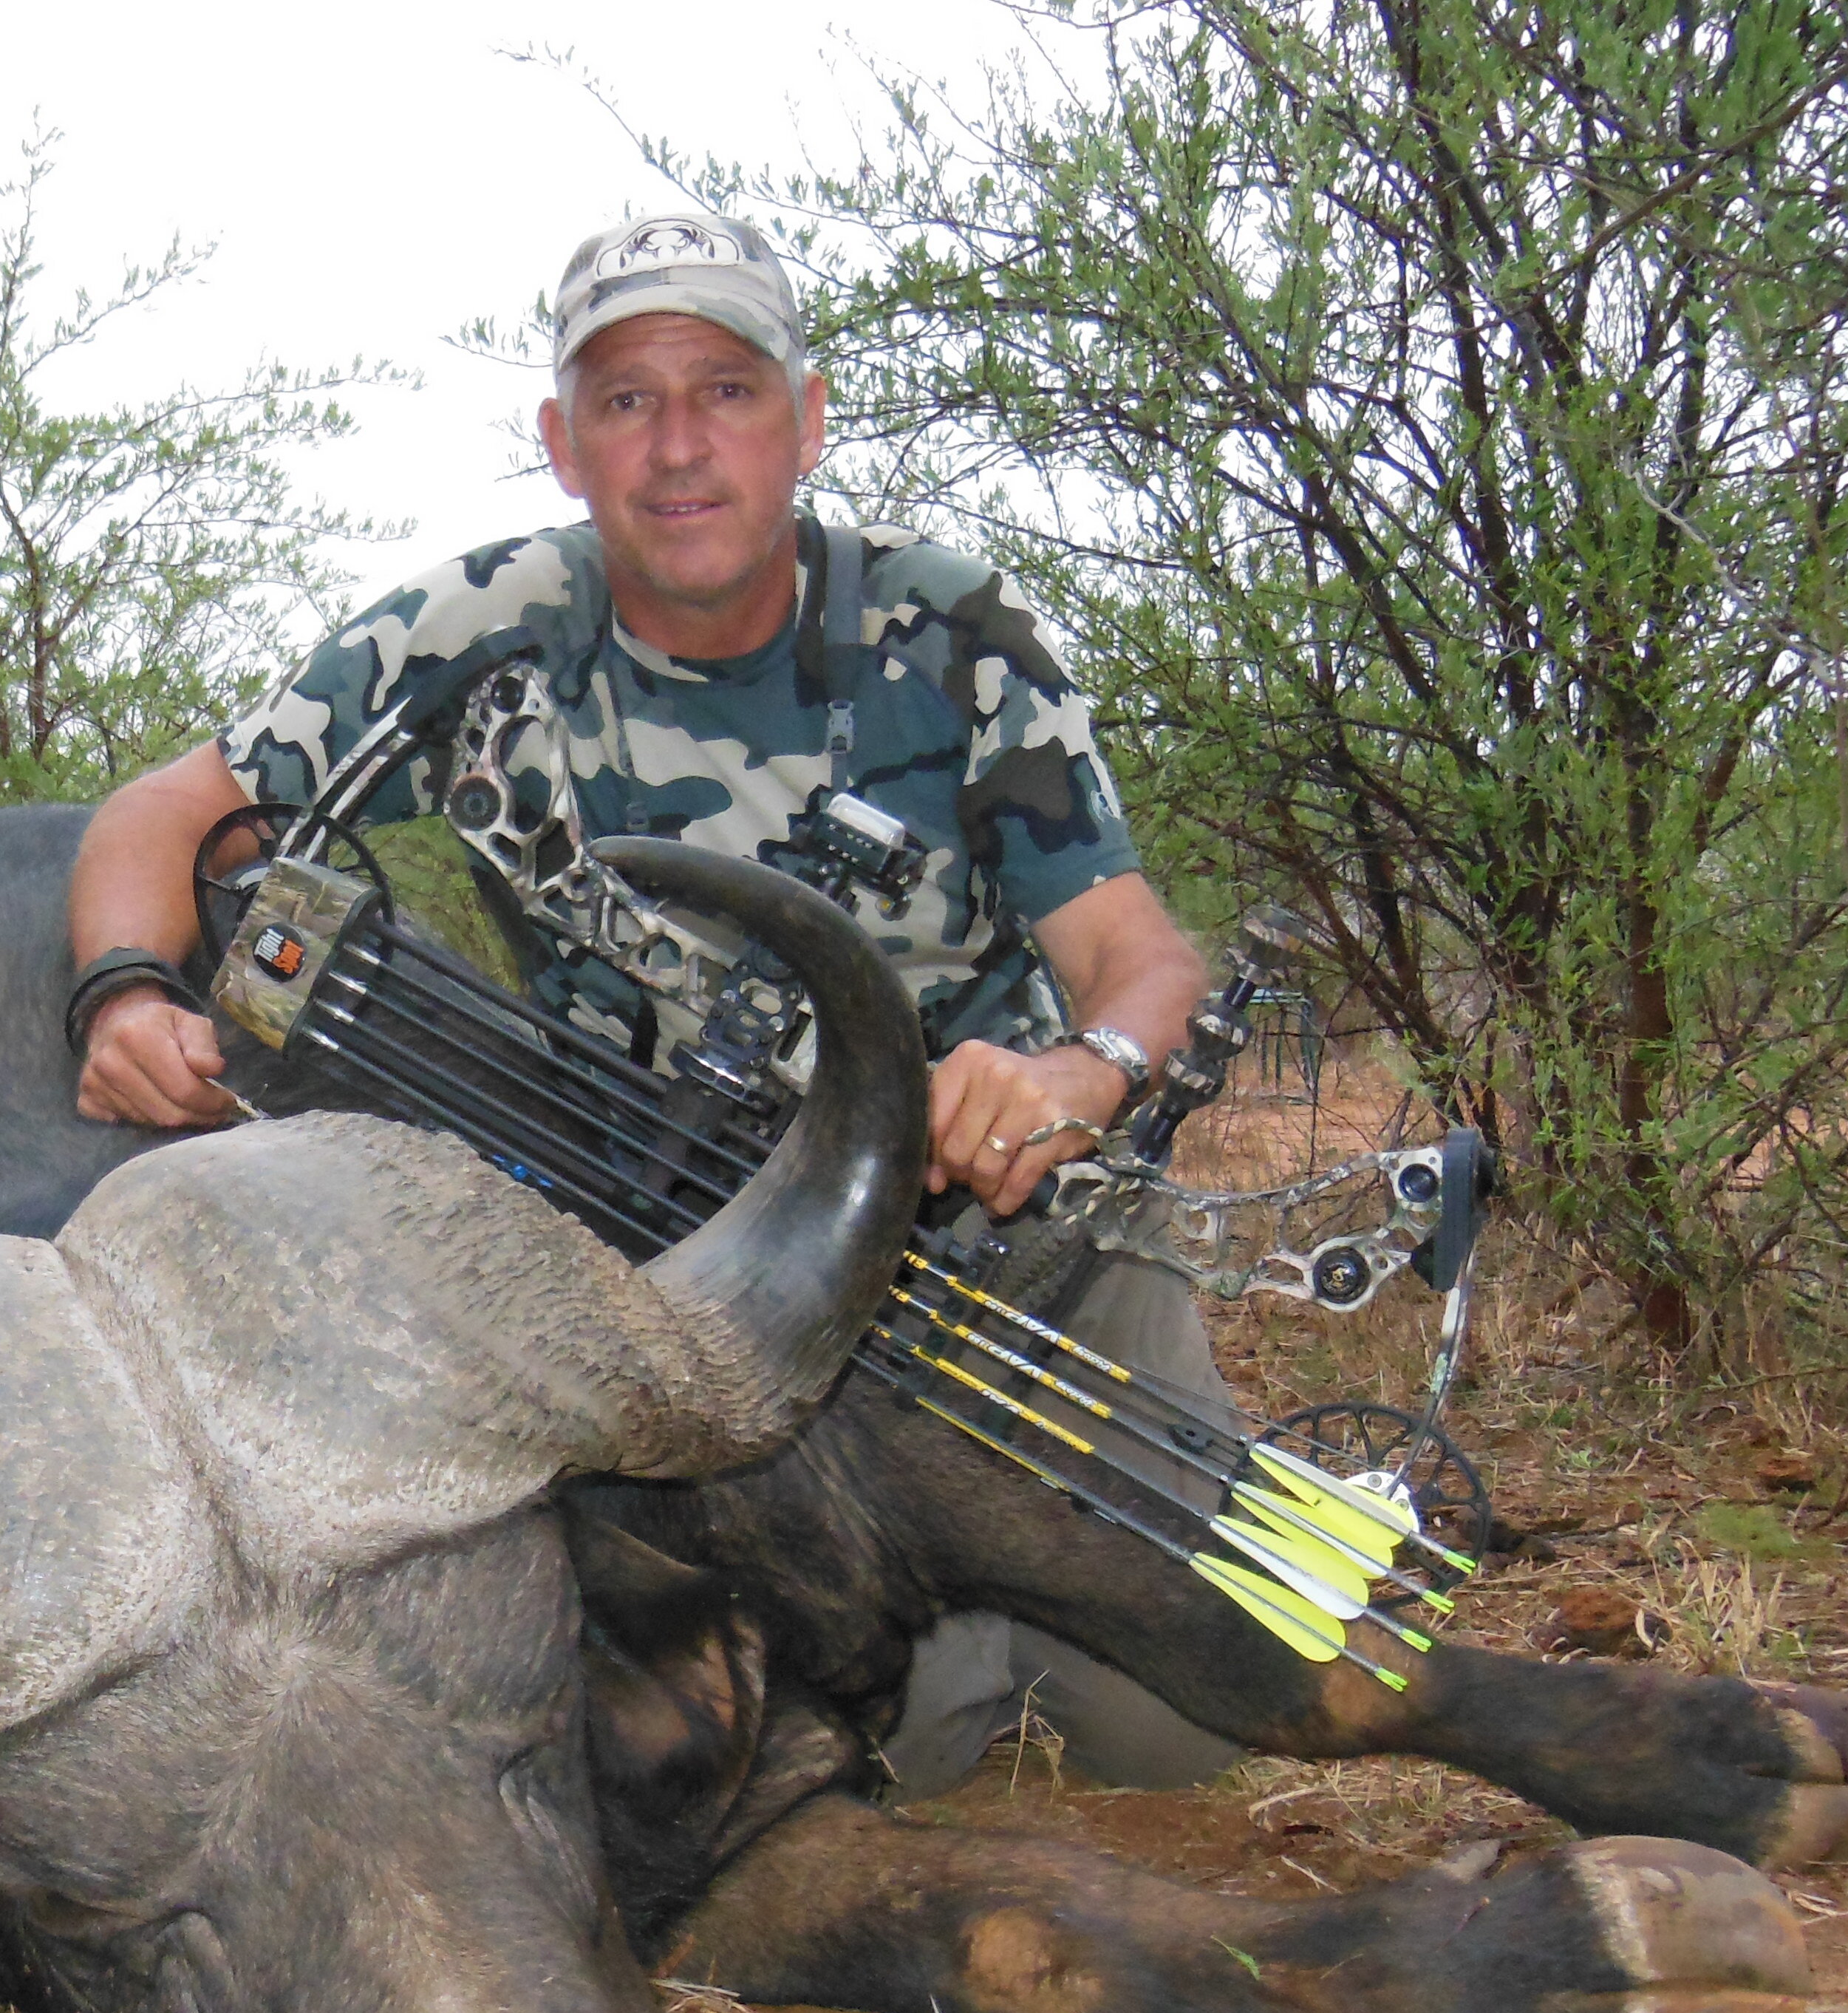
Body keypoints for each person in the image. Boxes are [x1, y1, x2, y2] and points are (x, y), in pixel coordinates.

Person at [63, 211, 1241, 1792]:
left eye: (729, 391)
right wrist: (130, 998)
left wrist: (1075, 1076)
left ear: (806, 422)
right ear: (562, 442)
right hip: (694, 1285)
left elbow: (1141, 963)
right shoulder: (477, 628)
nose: (680, 448)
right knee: (892, 1743)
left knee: (1185, 1730)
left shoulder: (950, 631)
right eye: (626, 401)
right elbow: (169, 814)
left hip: (1000, 1235)